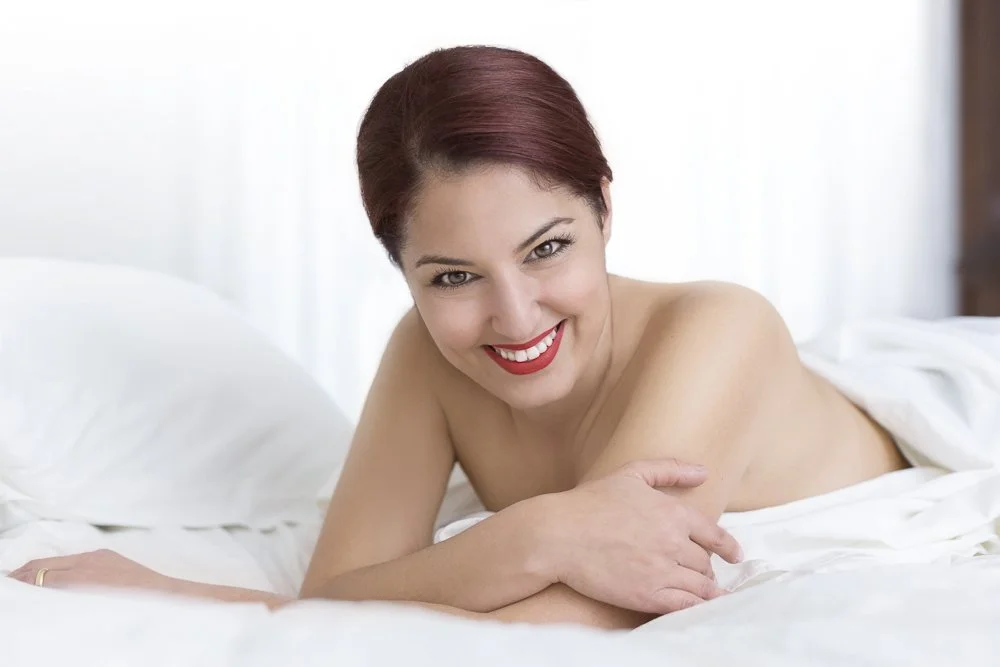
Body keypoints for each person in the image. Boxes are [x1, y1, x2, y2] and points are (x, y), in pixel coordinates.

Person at [7, 45, 909, 630]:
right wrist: (545, 532)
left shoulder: (720, 330)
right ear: (402, 270)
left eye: (547, 249)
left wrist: (186, 597)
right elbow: (339, 591)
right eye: (452, 277)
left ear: (604, 205)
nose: (514, 318)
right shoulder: (428, 351)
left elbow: (568, 622)